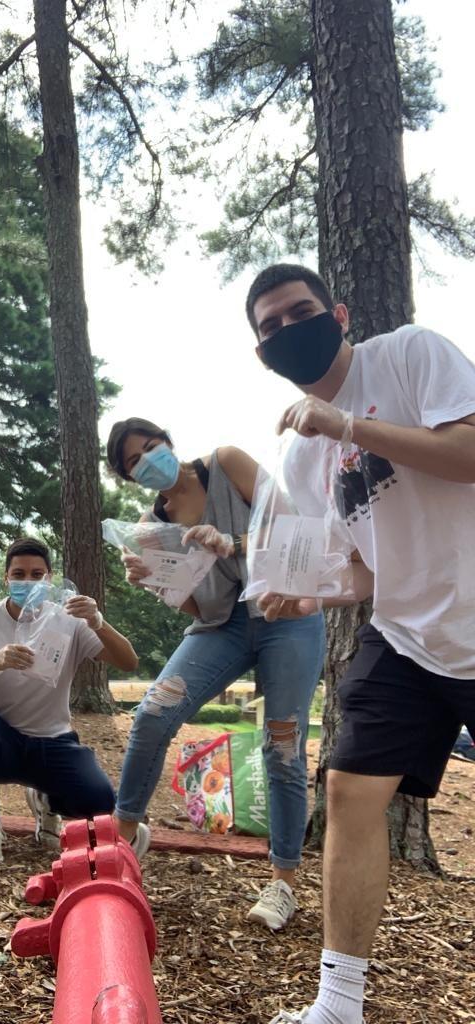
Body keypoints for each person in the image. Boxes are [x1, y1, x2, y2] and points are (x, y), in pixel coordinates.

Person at [245, 263, 475, 1024]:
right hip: (407, 636)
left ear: (338, 314)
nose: (289, 331)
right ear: (260, 354)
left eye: (300, 312)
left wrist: (349, 425)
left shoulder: (411, 355)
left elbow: (470, 453)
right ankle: (337, 1006)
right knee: (347, 790)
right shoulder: (303, 459)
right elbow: (366, 571)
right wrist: (310, 591)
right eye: (270, 327)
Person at [106, 417, 326, 931]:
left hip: (286, 614)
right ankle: (124, 836)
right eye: (134, 462)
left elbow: (289, 522)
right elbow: (192, 606)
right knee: (153, 715)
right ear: (130, 478)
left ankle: (283, 882)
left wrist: (232, 542)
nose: (147, 461)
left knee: (283, 745)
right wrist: (151, 581)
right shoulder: (152, 526)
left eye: (150, 447)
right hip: (222, 628)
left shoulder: (226, 463)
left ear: (169, 440)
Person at [0, 536, 138, 863]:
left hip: (53, 741)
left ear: (49, 578)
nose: (27, 581)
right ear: (6, 578)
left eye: (37, 574)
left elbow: (129, 661)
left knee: (100, 800)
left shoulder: (69, 620)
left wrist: (98, 622)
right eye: (19, 574)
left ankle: (48, 801)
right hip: (1, 742)